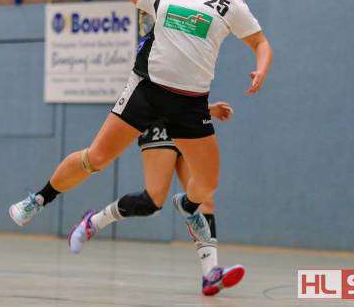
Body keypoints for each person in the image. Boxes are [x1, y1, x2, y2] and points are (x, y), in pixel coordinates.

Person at [9, 0, 272, 289]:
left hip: (191, 103)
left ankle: (189, 210)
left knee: (207, 185)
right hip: (147, 93)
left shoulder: (230, 4)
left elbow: (260, 42)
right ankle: (39, 198)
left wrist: (261, 67)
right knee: (96, 159)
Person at [67, 101, 244, 296]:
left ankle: (210, 272)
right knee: (151, 202)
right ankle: (92, 223)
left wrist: (207, 109)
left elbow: (187, 90)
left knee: (203, 199)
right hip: (160, 122)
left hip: (188, 122)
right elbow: (162, 91)